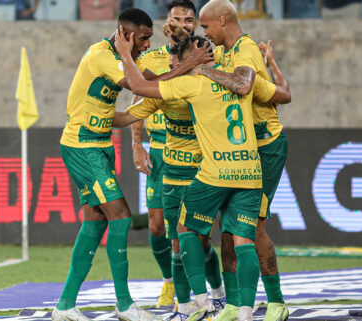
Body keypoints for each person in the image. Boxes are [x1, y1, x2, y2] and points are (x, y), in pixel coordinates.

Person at [52, 8, 210, 321]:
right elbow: (140, 86)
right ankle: (125, 305)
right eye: (144, 39)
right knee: (121, 217)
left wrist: (156, 97)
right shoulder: (103, 57)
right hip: (83, 146)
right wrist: (191, 63)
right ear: (126, 35)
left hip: (99, 144)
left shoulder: (124, 57)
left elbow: (150, 86)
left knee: (95, 222)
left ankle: (65, 305)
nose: (148, 46)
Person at [114, 32, 280, 321]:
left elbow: (139, 85)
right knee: (243, 241)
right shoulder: (241, 78)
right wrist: (273, 67)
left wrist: (125, 55)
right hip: (250, 171)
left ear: (190, 58)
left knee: (185, 231)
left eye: (177, 60)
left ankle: (202, 303)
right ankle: (244, 311)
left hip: (214, 172)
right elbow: (283, 95)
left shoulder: (191, 83)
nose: (172, 65)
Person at [194, 1, 291, 321]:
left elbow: (245, 85)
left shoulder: (246, 51)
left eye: (206, 26)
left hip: (265, 147)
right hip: (239, 151)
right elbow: (280, 94)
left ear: (222, 21)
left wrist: (204, 70)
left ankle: (276, 301)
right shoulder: (227, 51)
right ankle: (235, 304)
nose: (204, 32)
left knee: (253, 227)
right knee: (228, 228)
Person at [129, 0, 225, 311]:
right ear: (167, 23)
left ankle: (212, 291)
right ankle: (172, 285)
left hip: (200, 153)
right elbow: (138, 94)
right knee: (159, 227)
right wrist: (136, 143)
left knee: (196, 237)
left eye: (189, 18)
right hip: (161, 149)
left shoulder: (209, 57)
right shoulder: (154, 57)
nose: (183, 23)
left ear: (196, 24)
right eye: (177, 18)